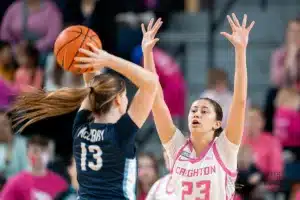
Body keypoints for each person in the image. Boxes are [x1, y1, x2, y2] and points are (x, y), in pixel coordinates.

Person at [10, 42, 159, 199]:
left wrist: (91, 58)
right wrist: (107, 59)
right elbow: (151, 82)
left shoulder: (81, 129)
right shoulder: (120, 132)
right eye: (125, 96)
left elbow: (92, 88)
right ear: (117, 100)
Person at [141, 15, 254, 199]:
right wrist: (147, 53)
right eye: (193, 110)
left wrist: (240, 52)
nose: (196, 114)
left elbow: (240, 102)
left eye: (204, 111)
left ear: (217, 123)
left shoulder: (225, 148)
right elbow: (157, 102)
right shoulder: (177, 147)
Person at [0, 134, 68, 200]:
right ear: (27, 154)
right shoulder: (15, 183)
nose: (39, 155)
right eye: (35, 151)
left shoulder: (60, 183)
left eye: (43, 151)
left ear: (49, 154)